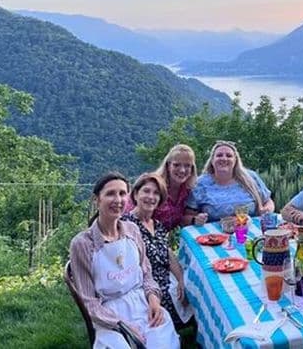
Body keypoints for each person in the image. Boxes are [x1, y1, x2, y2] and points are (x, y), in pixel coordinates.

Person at [69, 172, 180, 348]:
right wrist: (121, 325)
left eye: (122, 193)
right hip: (108, 313)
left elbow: (147, 275)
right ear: (97, 199)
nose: (118, 200)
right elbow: (89, 301)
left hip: (141, 303)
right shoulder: (82, 244)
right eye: (110, 194)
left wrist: (153, 299)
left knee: (162, 342)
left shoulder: (132, 230)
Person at [121, 173, 189, 329]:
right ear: (136, 194)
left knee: (194, 285)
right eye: (146, 191)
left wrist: (181, 279)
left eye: (156, 193)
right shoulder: (125, 225)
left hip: (165, 277)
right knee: (188, 299)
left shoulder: (157, 225)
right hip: (144, 285)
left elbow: (167, 253)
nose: (151, 197)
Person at [184, 140, 275, 223]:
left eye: (229, 156)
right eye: (219, 155)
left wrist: (267, 210)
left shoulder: (251, 177)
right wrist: (195, 219)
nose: (224, 158)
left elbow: (268, 201)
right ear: (212, 160)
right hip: (213, 237)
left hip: (250, 231)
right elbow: (187, 216)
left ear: (235, 160)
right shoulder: (200, 184)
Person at [153, 144, 205, 229]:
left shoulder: (189, 190)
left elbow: (181, 218)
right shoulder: (154, 187)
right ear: (168, 165)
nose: (182, 170)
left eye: (187, 166)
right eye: (176, 165)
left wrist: (195, 219)